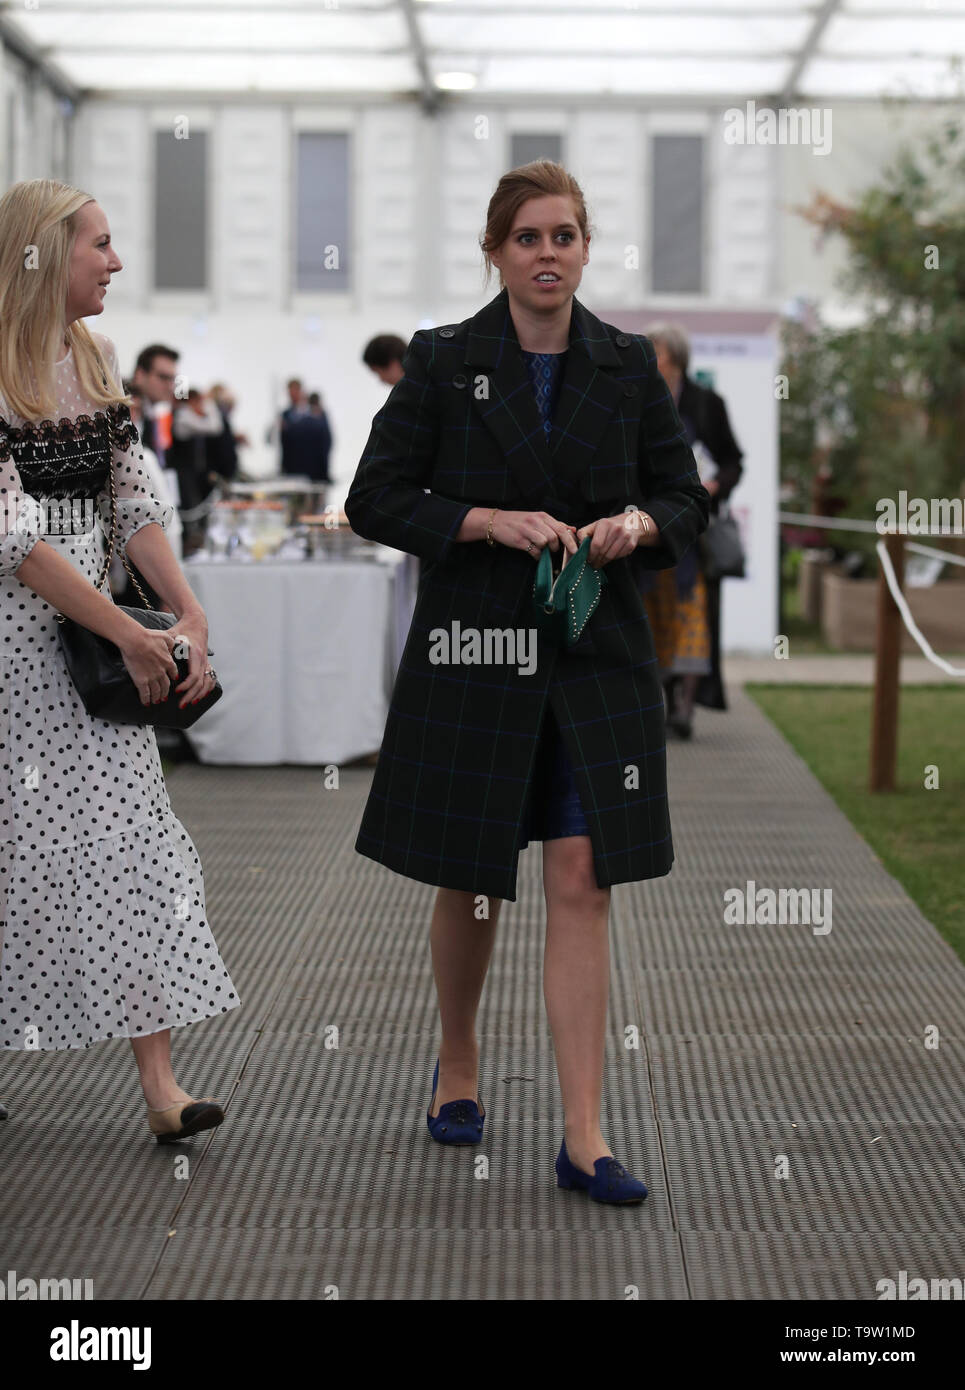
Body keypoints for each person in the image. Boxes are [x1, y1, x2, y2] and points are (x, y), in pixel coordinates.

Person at [345, 160, 709, 1204]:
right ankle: (457, 1062)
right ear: (496, 251)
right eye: (527, 237)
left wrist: (637, 525)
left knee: (580, 879)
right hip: (475, 656)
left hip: (598, 661)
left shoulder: (628, 364)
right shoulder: (443, 357)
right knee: (468, 875)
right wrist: (485, 521)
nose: (546, 253)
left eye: (563, 235)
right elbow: (373, 497)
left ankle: (583, 1132)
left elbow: (683, 498)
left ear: (585, 247)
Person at [0, 179, 239, 1142]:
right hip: (22, 655)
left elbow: (133, 503)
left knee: (134, 851)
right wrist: (127, 631)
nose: (116, 261)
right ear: (44, 257)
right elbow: (15, 541)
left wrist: (185, 610)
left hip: (95, 650)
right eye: (100, 244)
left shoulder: (92, 358)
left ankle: (161, 1088)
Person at [644, 323, 744, 734]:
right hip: (648, 527)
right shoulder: (639, 399)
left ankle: (685, 707)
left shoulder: (707, 404)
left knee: (692, 615)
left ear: (677, 359)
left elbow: (733, 460)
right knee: (654, 615)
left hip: (693, 531)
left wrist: (714, 486)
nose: (651, 359)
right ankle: (663, 703)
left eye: (658, 352)